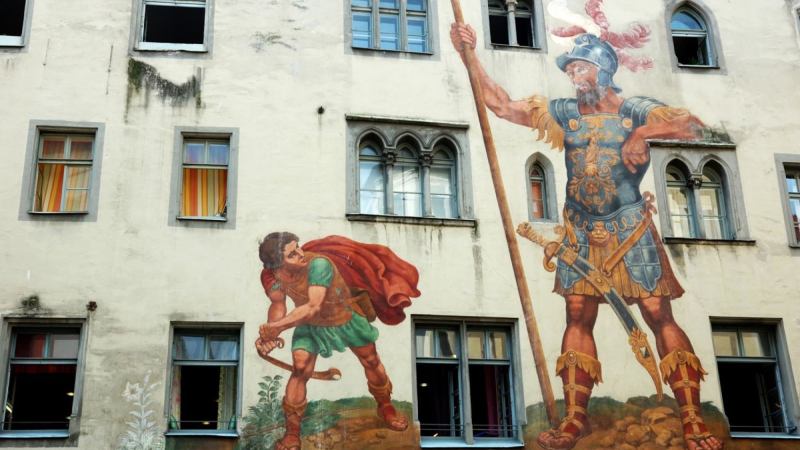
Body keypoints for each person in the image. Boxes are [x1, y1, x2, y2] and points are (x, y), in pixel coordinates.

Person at [450, 24, 722, 450]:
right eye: (570, 70)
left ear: (604, 70)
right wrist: (469, 55)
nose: (574, 76)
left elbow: (693, 126)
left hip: (629, 228)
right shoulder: (564, 113)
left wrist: (642, 133)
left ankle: (692, 419)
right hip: (579, 230)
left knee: (658, 313)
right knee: (577, 315)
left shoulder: (635, 110)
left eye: (581, 68)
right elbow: (501, 106)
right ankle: (575, 419)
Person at [255, 232, 419, 450]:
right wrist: (269, 335)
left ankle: (385, 406)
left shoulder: (319, 265)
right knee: (300, 368)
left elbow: (313, 306)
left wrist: (275, 329)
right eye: (292, 254)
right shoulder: (270, 276)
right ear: (277, 264)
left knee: (371, 361)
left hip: (344, 317)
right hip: (309, 325)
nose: (300, 254)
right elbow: (278, 304)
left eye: (298, 247)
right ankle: (292, 434)